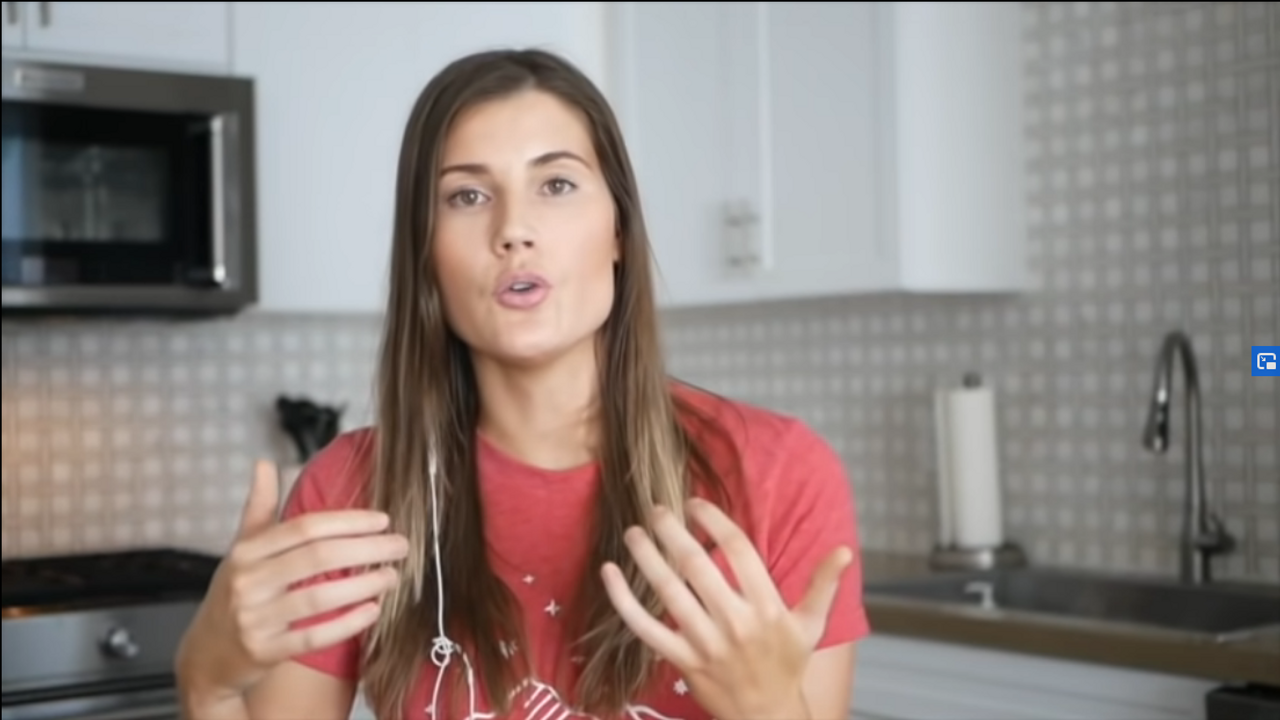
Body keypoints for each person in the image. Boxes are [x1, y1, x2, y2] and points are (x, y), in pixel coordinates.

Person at [174, 47, 869, 720]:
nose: (513, 230)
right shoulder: (351, 494)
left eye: (556, 184)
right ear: (425, 252)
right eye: (467, 195)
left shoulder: (776, 474)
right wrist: (206, 683)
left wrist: (770, 710)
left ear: (619, 228)